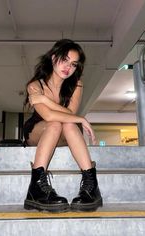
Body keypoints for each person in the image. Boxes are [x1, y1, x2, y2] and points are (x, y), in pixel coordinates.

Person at [23, 39, 102, 212]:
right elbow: (49, 115)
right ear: (53, 58)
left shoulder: (76, 84)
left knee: (68, 124)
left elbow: (70, 116)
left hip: (65, 131)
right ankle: (36, 186)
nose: (68, 67)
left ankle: (91, 185)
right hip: (39, 131)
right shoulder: (35, 85)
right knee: (56, 123)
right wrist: (79, 118)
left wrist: (76, 118)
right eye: (64, 60)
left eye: (73, 64)